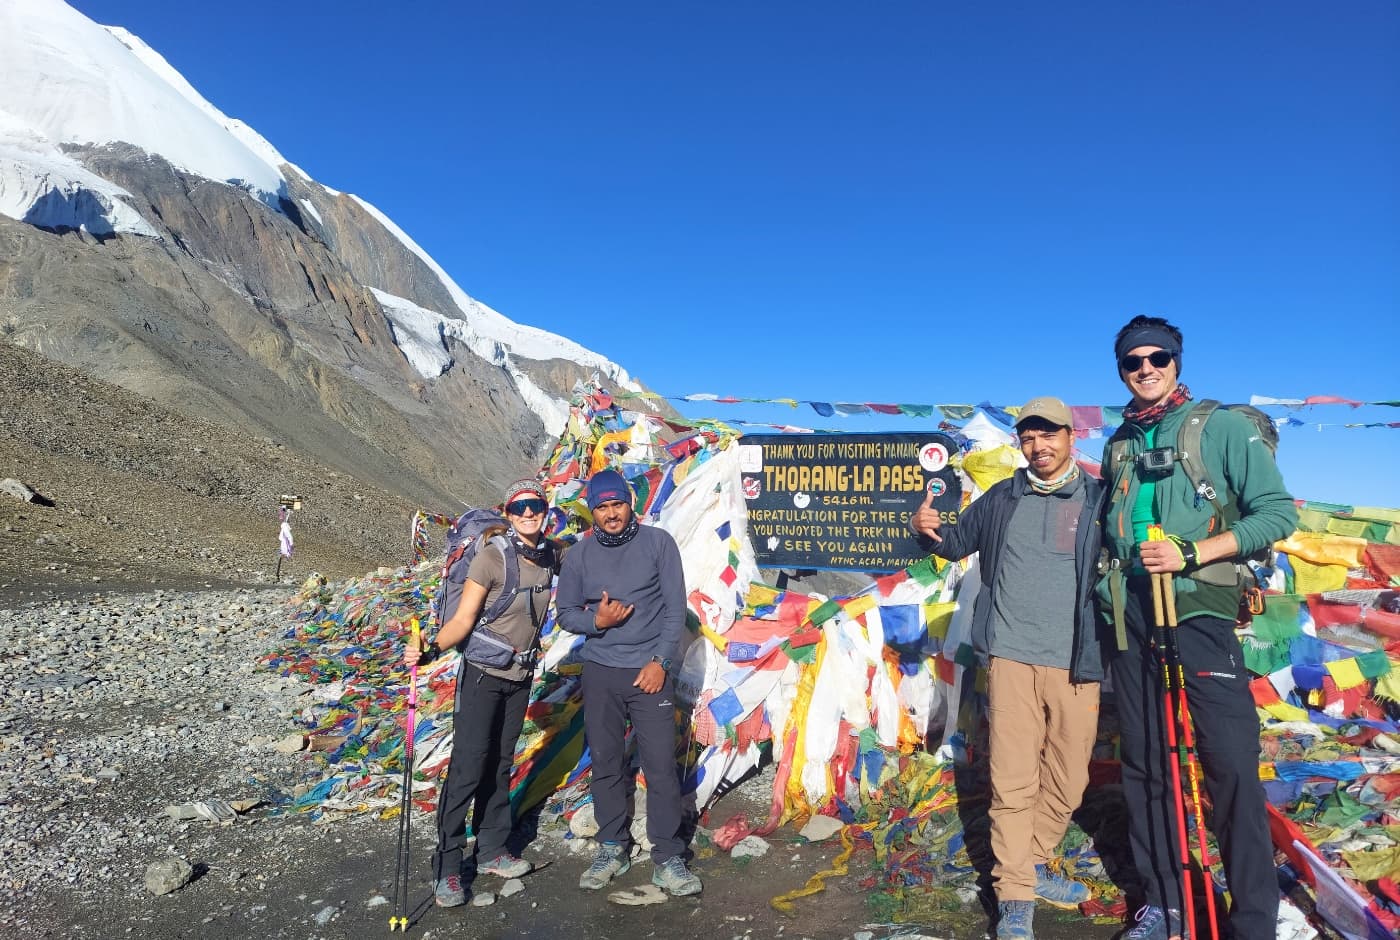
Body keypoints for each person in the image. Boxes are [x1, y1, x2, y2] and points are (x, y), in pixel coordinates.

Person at [1098, 315, 1297, 940]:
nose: (1146, 368)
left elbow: (1277, 514)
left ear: (1177, 363)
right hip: (1129, 615)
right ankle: (1166, 901)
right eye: (1133, 362)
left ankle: (1254, 918)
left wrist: (1193, 553)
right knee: (1148, 765)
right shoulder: (1119, 443)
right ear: (1122, 371)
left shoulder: (1223, 426)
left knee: (1231, 763)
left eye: (1157, 357)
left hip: (1199, 610)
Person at [911, 397, 1107, 940]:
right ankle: (1016, 892)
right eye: (1028, 437)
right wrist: (925, 528)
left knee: (1070, 777)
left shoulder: (1098, 499)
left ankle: (1037, 858)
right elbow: (954, 544)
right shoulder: (1003, 497)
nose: (1039, 446)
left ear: (1071, 438)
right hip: (1013, 658)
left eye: (1049, 435)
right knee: (1013, 780)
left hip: (1077, 660)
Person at [406, 479, 561, 907]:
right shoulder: (491, 559)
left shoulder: (551, 554)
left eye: (536, 505)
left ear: (546, 509)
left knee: (501, 762)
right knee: (468, 767)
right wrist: (429, 648)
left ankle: (491, 849)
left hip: (520, 675)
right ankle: (448, 867)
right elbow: (463, 619)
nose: (529, 513)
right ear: (509, 514)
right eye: (520, 508)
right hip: (482, 674)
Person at [554, 468, 701, 897]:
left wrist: (660, 662)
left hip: (649, 673)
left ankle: (668, 857)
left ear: (629, 503)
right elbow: (566, 614)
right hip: (600, 671)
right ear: (593, 512)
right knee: (606, 763)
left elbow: (676, 611)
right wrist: (596, 621)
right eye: (602, 507)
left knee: (659, 765)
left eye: (617, 503)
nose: (611, 513)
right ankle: (612, 846)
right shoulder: (578, 556)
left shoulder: (658, 544)